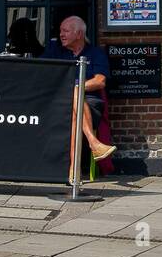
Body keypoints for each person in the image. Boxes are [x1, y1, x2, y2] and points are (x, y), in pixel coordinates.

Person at [42, 16, 116, 161]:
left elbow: (100, 81)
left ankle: (70, 171)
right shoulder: (55, 52)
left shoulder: (95, 53)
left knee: (76, 94)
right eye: (60, 31)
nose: (61, 35)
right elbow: (40, 71)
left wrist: (75, 87)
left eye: (66, 31)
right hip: (60, 103)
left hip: (91, 103)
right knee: (75, 102)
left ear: (79, 34)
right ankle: (94, 144)